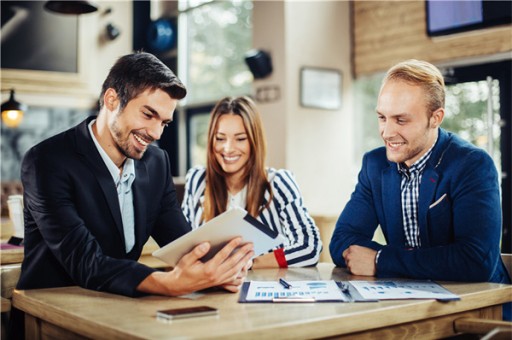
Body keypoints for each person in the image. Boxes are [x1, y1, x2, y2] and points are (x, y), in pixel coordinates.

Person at [16, 52, 254, 298]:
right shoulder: (46, 161)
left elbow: (181, 243)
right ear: (111, 100)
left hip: (119, 304)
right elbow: (85, 262)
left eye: (164, 122)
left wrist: (218, 270)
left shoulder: (156, 163)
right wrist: (170, 282)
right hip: (52, 309)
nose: (156, 133)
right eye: (148, 115)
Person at [329, 59, 510, 319]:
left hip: (479, 311)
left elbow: (475, 261)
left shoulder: (472, 164)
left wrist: (381, 260)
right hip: (410, 306)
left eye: (401, 120)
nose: (387, 132)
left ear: (435, 118)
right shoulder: (374, 165)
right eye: (382, 117)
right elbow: (342, 242)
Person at [182, 96, 322, 268]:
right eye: (220, 138)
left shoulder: (278, 182)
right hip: (210, 289)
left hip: (264, 287)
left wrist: (251, 263)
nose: (228, 148)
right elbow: (183, 245)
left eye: (240, 139)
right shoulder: (197, 180)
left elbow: (310, 247)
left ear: (254, 142)